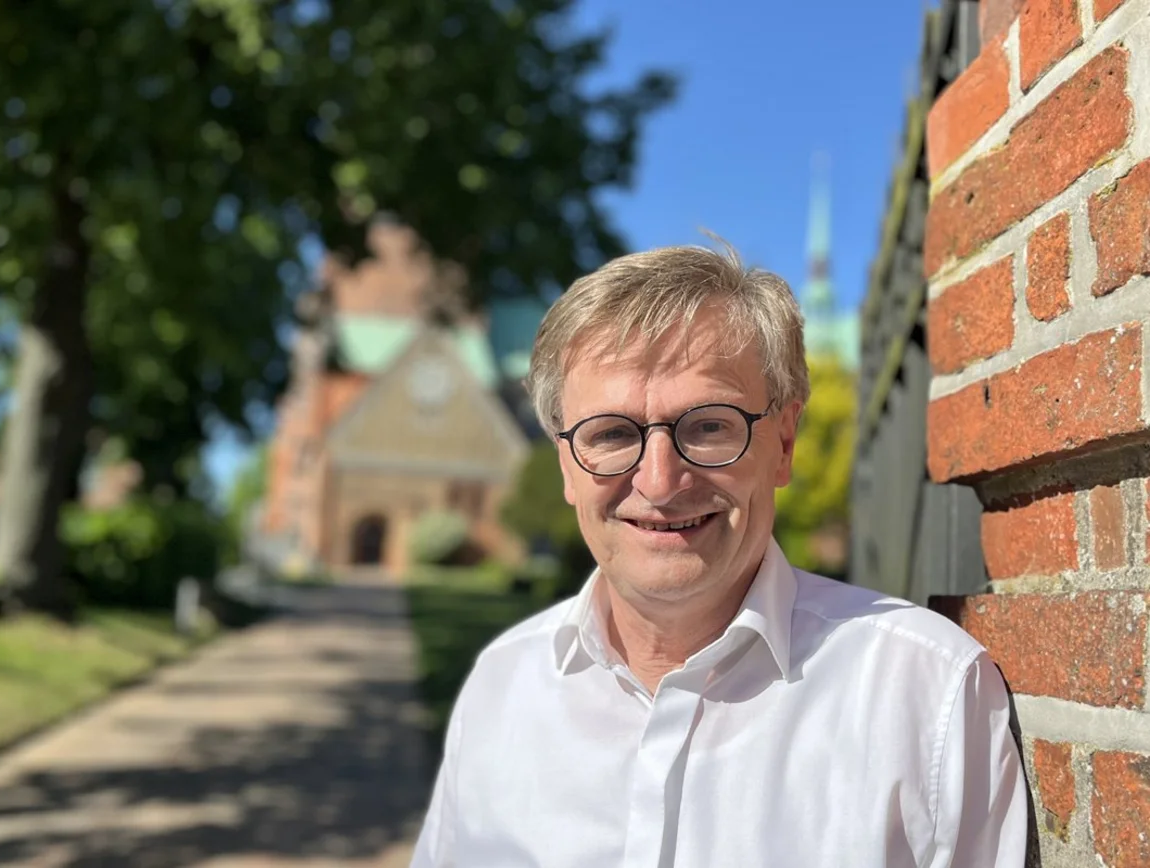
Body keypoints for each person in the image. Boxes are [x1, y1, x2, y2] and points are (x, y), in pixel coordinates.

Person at [409, 243, 1027, 867]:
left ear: (782, 443)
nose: (657, 481)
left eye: (708, 426)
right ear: (567, 464)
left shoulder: (930, 698)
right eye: (612, 434)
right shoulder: (500, 684)